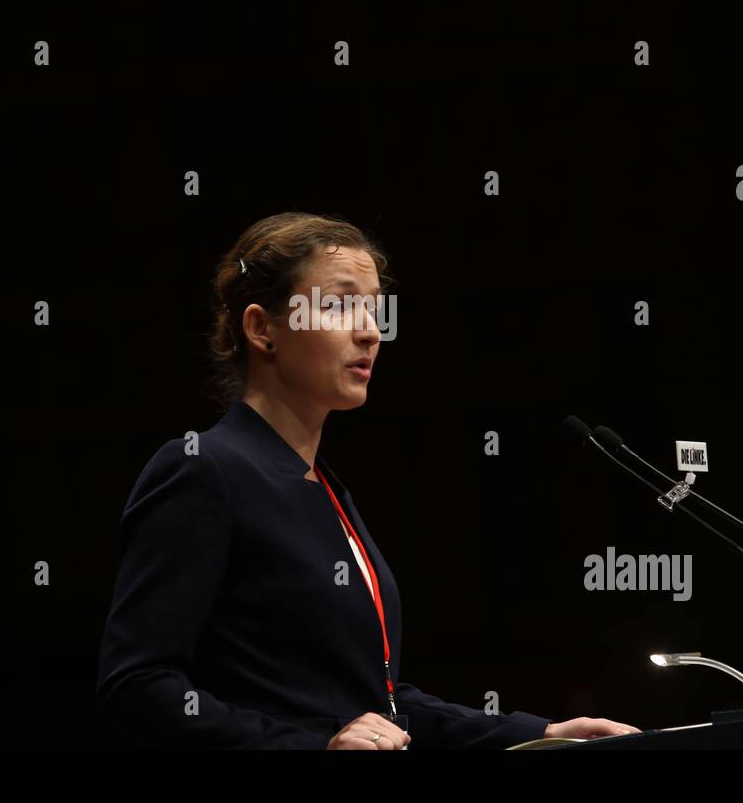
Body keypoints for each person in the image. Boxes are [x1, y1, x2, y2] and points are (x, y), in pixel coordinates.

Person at [95, 212, 641, 749]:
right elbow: (138, 687)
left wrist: (539, 733)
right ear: (262, 328)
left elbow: (379, 708)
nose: (371, 332)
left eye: (375, 311)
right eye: (338, 306)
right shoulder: (203, 468)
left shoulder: (327, 489)